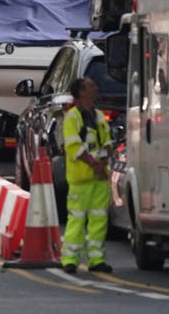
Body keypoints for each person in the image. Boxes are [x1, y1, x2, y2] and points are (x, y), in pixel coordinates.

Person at [60, 76, 113, 275]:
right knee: (77, 219)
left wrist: (104, 161)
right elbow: (74, 146)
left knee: (99, 220)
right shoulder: (72, 117)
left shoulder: (99, 116)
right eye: (91, 85)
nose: (95, 87)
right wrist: (96, 166)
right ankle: (70, 259)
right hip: (81, 178)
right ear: (81, 92)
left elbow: (107, 142)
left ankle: (96, 259)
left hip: (98, 178)